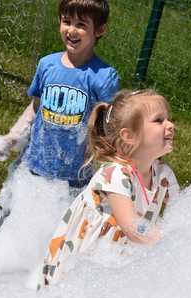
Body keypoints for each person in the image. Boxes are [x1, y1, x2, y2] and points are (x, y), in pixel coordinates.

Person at [0, 0, 119, 218]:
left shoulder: (104, 76)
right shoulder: (47, 65)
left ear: (100, 30)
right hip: (32, 166)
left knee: (56, 238)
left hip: (74, 178)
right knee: (13, 228)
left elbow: (108, 126)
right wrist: (13, 136)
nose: (71, 30)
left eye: (81, 24)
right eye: (66, 21)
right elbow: (35, 108)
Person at [37, 89, 179, 287]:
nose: (170, 125)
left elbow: (184, 211)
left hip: (116, 262)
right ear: (128, 136)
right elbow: (131, 225)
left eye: (168, 119)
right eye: (159, 120)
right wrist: (171, 244)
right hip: (81, 266)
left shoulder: (163, 176)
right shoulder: (115, 174)